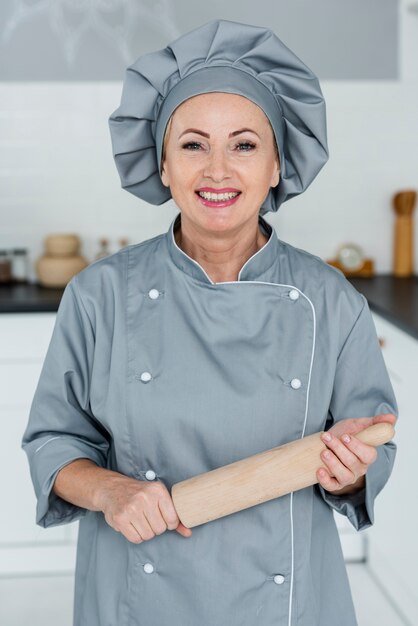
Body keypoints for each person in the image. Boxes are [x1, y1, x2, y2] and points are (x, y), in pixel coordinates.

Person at [22, 18, 397, 626]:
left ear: (278, 166)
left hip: (290, 598)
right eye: (193, 144)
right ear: (163, 166)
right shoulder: (99, 296)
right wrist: (110, 491)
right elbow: (52, 444)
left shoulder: (330, 300)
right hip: (136, 595)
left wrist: (353, 472)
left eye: (245, 144)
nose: (218, 170)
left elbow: (371, 452)